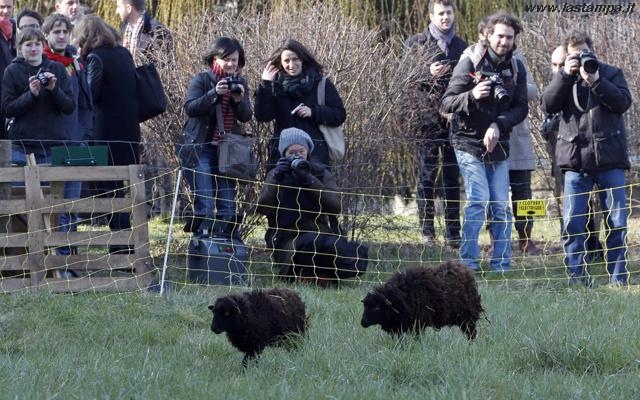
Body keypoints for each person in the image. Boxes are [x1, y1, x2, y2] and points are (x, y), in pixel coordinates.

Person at [542, 30, 631, 286]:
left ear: (592, 51)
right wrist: (564, 76)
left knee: (617, 222)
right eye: (573, 55)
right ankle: (577, 279)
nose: (579, 59)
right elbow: (548, 105)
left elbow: (623, 102)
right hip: (575, 161)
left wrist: (595, 80)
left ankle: (618, 278)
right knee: (573, 224)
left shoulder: (611, 73)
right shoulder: (565, 79)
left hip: (609, 159)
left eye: (583, 53)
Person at [440, 11, 528, 271]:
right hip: (467, 141)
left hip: (499, 144)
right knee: (478, 199)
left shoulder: (516, 66)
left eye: (509, 37)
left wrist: (499, 124)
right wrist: (472, 94)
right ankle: (468, 262)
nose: (504, 41)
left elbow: (521, 108)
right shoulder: (470, 62)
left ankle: (501, 263)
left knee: (501, 205)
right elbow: (446, 102)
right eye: (500, 36)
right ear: (488, 35)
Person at [256, 128, 367, 285]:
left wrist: (310, 181)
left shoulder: (320, 173)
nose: (296, 155)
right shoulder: (275, 174)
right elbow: (262, 208)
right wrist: (276, 179)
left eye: (301, 151)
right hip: (287, 238)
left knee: (349, 251)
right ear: (283, 154)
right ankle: (302, 275)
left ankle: (322, 276)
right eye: (291, 152)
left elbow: (336, 207)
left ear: (308, 152)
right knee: (309, 243)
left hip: (320, 233)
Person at [404, 0, 466, 248]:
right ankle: (427, 233)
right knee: (426, 177)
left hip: (455, 119)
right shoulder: (415, 44)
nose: (445, 18)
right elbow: (403, 78)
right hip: (426, 120)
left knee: (452, 178)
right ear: (431, 16)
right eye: (440, 13)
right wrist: (426, 71)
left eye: (449, 13)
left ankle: (453, 234)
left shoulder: (462, 46)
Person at [73, 15, 139, 241]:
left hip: (106, 131)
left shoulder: (96, 58)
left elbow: (91, 95)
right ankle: (126, 239)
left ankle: (121, 242)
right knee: (121, 185)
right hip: (129, 130)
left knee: (108, 186)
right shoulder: (124, 53)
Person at [541, 45, 604, 259]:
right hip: (562, 151)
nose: (559, 68)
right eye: (555, 65)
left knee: (587, 205)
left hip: (583, 151)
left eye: (562, 63)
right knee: (568, 206)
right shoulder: (559, 81)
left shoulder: (580, 79)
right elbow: (548, 105)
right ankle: (573, 253)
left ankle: (593, 247)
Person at [182, 36, 251, 220]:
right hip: (201, 147)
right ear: (215, 59)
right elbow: (190, 108)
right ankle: (203, 239)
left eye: (234, 60)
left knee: (227, 203)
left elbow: (246, 116)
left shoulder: (240, 83)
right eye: (225, 59)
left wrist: (239, 101)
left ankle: (226, 241)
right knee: (205, 200)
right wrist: (214, 93)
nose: (230, 64)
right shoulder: (202, 79)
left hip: (227, 150)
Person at [43, 13, 93, 256]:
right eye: (56, 32)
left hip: (77, 140)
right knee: (54, 202)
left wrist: (85, 134)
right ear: (47, 35)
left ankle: (70, 255)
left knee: (73, 202)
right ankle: (57, 258)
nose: (61, 36)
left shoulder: (76, 62)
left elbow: (85, 101)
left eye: (65, 31)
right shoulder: (41, 62)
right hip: (49, 143)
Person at [255, 38, 346, 170]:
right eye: (286, 60)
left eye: (295, 59)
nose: (291, 65)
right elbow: (262, 116)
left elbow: (339, 115)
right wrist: (265, 85)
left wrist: (314, 112)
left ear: (302, 59)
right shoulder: (274, 86)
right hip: (282, 157)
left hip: (316, 157)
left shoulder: (321, 83)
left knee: (315, 190)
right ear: (280, 62)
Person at [1, 27, 74, 165]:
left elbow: (69, 107)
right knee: (20, 187)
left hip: (53, 143)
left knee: (54, 186)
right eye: (28, 45)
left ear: (43, 45)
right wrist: (31, 95)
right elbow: (7, 109)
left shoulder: (57, 69)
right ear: (20, 47)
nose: (33, 49)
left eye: (37, 44)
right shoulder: (12, 71)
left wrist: (54, 90)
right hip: (22, 146)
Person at [115, 0, 172, 66]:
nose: (117, 11)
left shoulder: (156, 30)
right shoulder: (123, 30)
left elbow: (163, 67)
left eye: (119, 7)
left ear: (128, 8)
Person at [0, 0, 16, 140]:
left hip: (9, 95)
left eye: (8, 7)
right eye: (1, 7)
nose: (5, 11)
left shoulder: (14, 30)